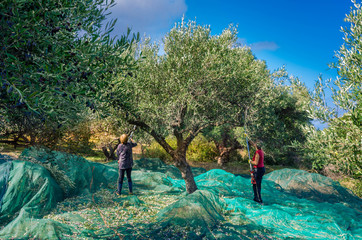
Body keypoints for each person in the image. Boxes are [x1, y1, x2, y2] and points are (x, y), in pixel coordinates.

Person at [249, 139, 265, 204]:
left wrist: (250, 161)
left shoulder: (258, 153)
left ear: (257, 146)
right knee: (255, 184)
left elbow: (256, 162)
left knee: (256, 184)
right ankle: (256, 197)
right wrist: (247, 137)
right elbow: (254, 144)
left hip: (258, 170)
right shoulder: (261, 151)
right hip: (261, 169)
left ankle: (259, 199)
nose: (254, 145)